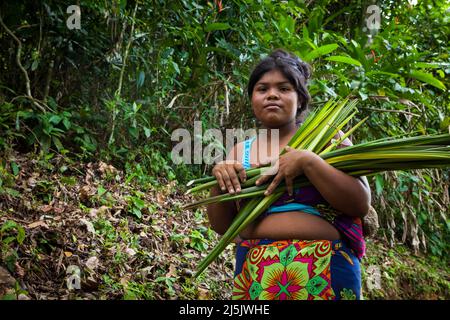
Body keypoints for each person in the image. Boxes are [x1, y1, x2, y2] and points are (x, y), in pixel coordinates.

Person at [206, 49, 371, 300]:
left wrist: (309, 162)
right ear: (252, 98)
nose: (272, 94)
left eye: (284, 88)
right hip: (256, 272)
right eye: (262, 89)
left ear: (300, 99)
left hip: (326, 266)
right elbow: (223, 226)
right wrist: (219, 181)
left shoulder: (328, 139)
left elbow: (360, 203)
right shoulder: (241, 151)